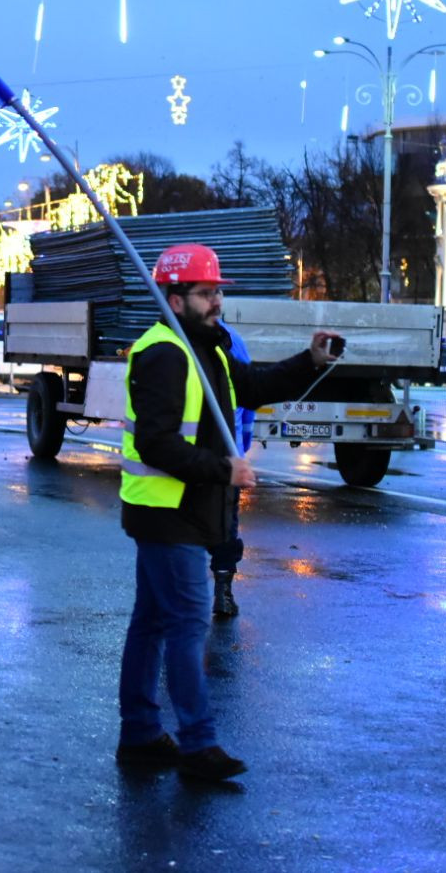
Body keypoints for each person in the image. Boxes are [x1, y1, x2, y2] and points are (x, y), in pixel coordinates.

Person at [115, 243, 341, 782]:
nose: (216, 301)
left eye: (218, 291)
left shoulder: (207, 348)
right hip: (168, 511)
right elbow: (155, 443)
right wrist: (224, 469)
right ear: (174, 299)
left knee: (152, 623)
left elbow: (253, 387)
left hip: (182, 509)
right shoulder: (165, 354)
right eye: (205, 293)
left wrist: (310, 361)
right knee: (187, 624)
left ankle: (140, 734)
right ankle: (197, 744)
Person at [210, 321, 258, 618]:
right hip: (229, 454)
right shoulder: (234, 341)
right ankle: (223, 593)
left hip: (188, 458)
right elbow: (249, 402)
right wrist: (243, 446)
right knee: (225, 525)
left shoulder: (169, 341)